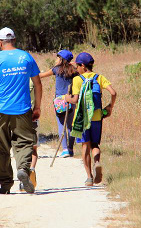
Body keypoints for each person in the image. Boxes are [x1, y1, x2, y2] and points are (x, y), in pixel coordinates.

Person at [0, 27, 42, 194]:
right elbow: (38, 83)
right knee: (24, 143)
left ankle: (5, 184)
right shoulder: (26, 57)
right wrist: (37, 106)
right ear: (14, 40)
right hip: (23, 109)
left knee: (2, 146)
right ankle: (23, 169)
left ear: (0, 42)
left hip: (3, 110)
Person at [65, 52, 117, 186]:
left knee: (85, 145)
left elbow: (75, 100)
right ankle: (97, 162)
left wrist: (66, 98)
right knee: (95, 145)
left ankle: (89, 178)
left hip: (82, 118)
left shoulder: (77, 80)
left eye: (77, 66)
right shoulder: (99, 78)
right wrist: (110, 107)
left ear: (83, 66)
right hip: (97, 116)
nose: (76, 68)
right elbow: (113, 92)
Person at [39, 50, 78, 158]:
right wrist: (73, 64)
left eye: (57, 57)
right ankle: (71, 149)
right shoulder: (74, 70)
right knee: (70, 125)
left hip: (60, 100)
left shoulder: (56, 69)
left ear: (61, 59)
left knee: (61, 124)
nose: (56, 59)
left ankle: (64, 149)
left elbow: (41, 75)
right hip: (71, 99)